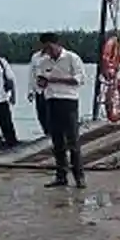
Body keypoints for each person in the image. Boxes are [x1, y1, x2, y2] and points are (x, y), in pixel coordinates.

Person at [38, 32, 86, 188]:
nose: (48, 52)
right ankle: (61, 176)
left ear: (58, 44)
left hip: (68, 101)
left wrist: (54, 79)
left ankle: (79, 177)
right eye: (45, 49)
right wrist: (42, 83)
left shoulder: (72, 58)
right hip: (52, 101)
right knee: (57, 141)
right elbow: (40, 82)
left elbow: (79, 80)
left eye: (50, 48)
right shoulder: (43, 62)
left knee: (73, 141)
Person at [28, 36, 50, 136]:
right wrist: (30, 91)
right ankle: (46, 133)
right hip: (39, 91)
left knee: (52, 115)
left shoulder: (54, 57)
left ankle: (53, 134)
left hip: (51, 91)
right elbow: (31, 75)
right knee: (41, 114)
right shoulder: (35, 57)